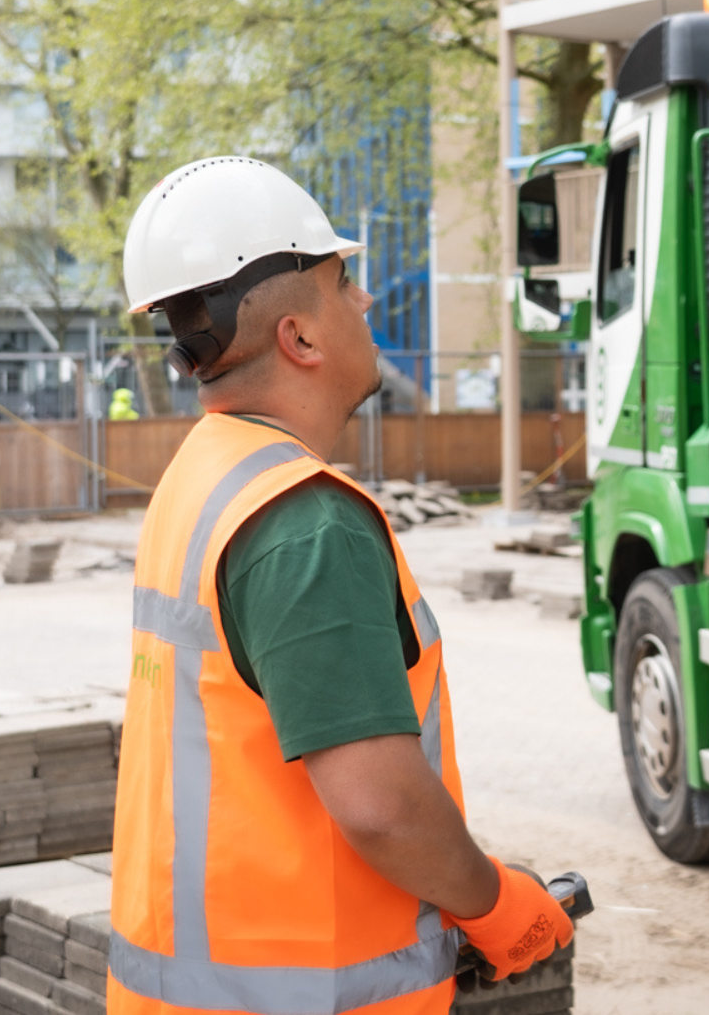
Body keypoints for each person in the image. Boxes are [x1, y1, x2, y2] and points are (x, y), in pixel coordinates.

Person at [110, 156, 571, 1015]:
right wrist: (500, 906)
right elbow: (380, 807)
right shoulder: (304, 524)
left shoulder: (203, 478)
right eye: (342, 280)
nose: (364, 301)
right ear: (301, 337)